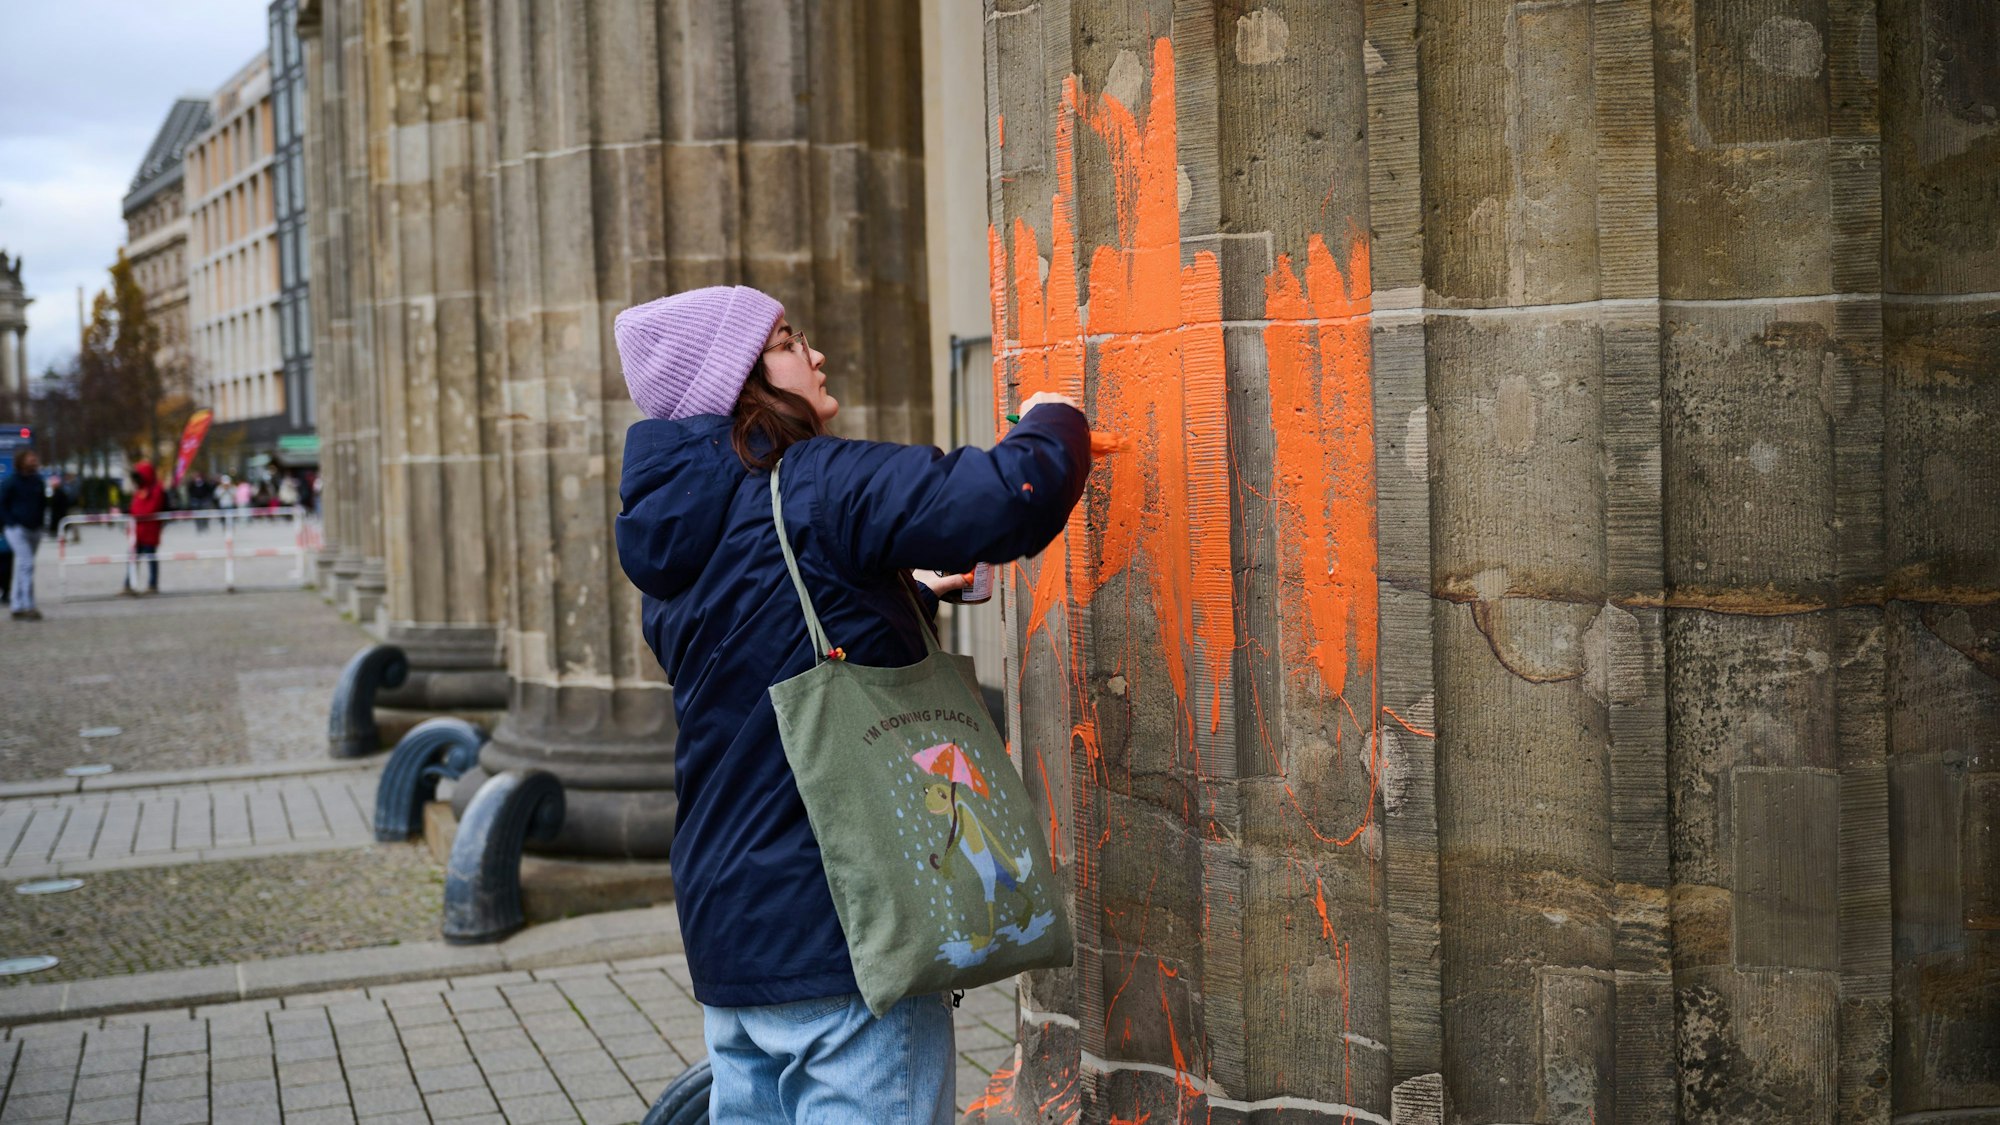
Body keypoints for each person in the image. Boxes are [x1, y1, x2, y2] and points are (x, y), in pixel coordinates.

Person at [612, 286, 1090, 1123]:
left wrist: (904, 588)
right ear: (742, 381)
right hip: (846, 932)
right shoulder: (814, 482)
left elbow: (766, 635)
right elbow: (1008, 495)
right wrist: (1057, 421)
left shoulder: (672, 534)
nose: (817, 355)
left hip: (732, 939)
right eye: (790, 340)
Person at [2, 450, 48, 620]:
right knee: (27, 564)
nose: (34, 461)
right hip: (17, 528)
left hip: (34, 528)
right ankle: (28, 605)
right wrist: (10, 522)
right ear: (21, 461)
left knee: (22, 565)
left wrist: (42, 523)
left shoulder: (38, 482)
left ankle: (16, 604)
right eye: (30, 458)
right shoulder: (11, 482)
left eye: (35, 458)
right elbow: (2, 503)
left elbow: (42, 502)